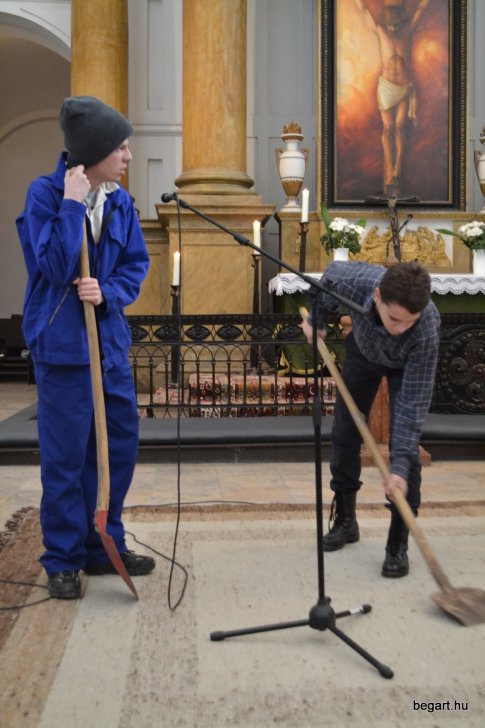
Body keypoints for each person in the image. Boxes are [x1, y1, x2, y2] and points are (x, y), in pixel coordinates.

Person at [16, 96, 154, 599]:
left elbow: (135, 264)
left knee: (116, 450)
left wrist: (108, 292)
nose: (128, 156)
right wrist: (72, 204)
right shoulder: (45, 194)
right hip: (62, 348)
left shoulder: (119, 201)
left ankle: (102, 545)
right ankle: (64, 558)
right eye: (120, 147)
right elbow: (53, 266)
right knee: (66, 458)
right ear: (94, 150)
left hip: (109, 347)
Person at [301, 260, 440, 578]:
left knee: (407, 454)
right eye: (394, 319)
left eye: (408, 322)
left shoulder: (427, 325)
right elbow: (328, 279)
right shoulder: (356, 281)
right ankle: (346, 521)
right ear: (377, 297)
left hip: (405, 365)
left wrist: (398, 469)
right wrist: (316, 318)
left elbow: (411, 408)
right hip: (363, 353)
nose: (400, 328)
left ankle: (397, 542)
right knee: (344, 434)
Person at [354, 0, 430, 195]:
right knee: (388, 128)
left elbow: (421, 8)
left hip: (404, 87)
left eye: (396, 24)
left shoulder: (407, 30)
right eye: (391, 25)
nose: (393, 28)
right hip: (386, 88)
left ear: (400, 21)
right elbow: (364, 9)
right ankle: (389, 170)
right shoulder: (380, 31)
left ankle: (397, 170)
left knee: (399, 126)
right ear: (386, 22)